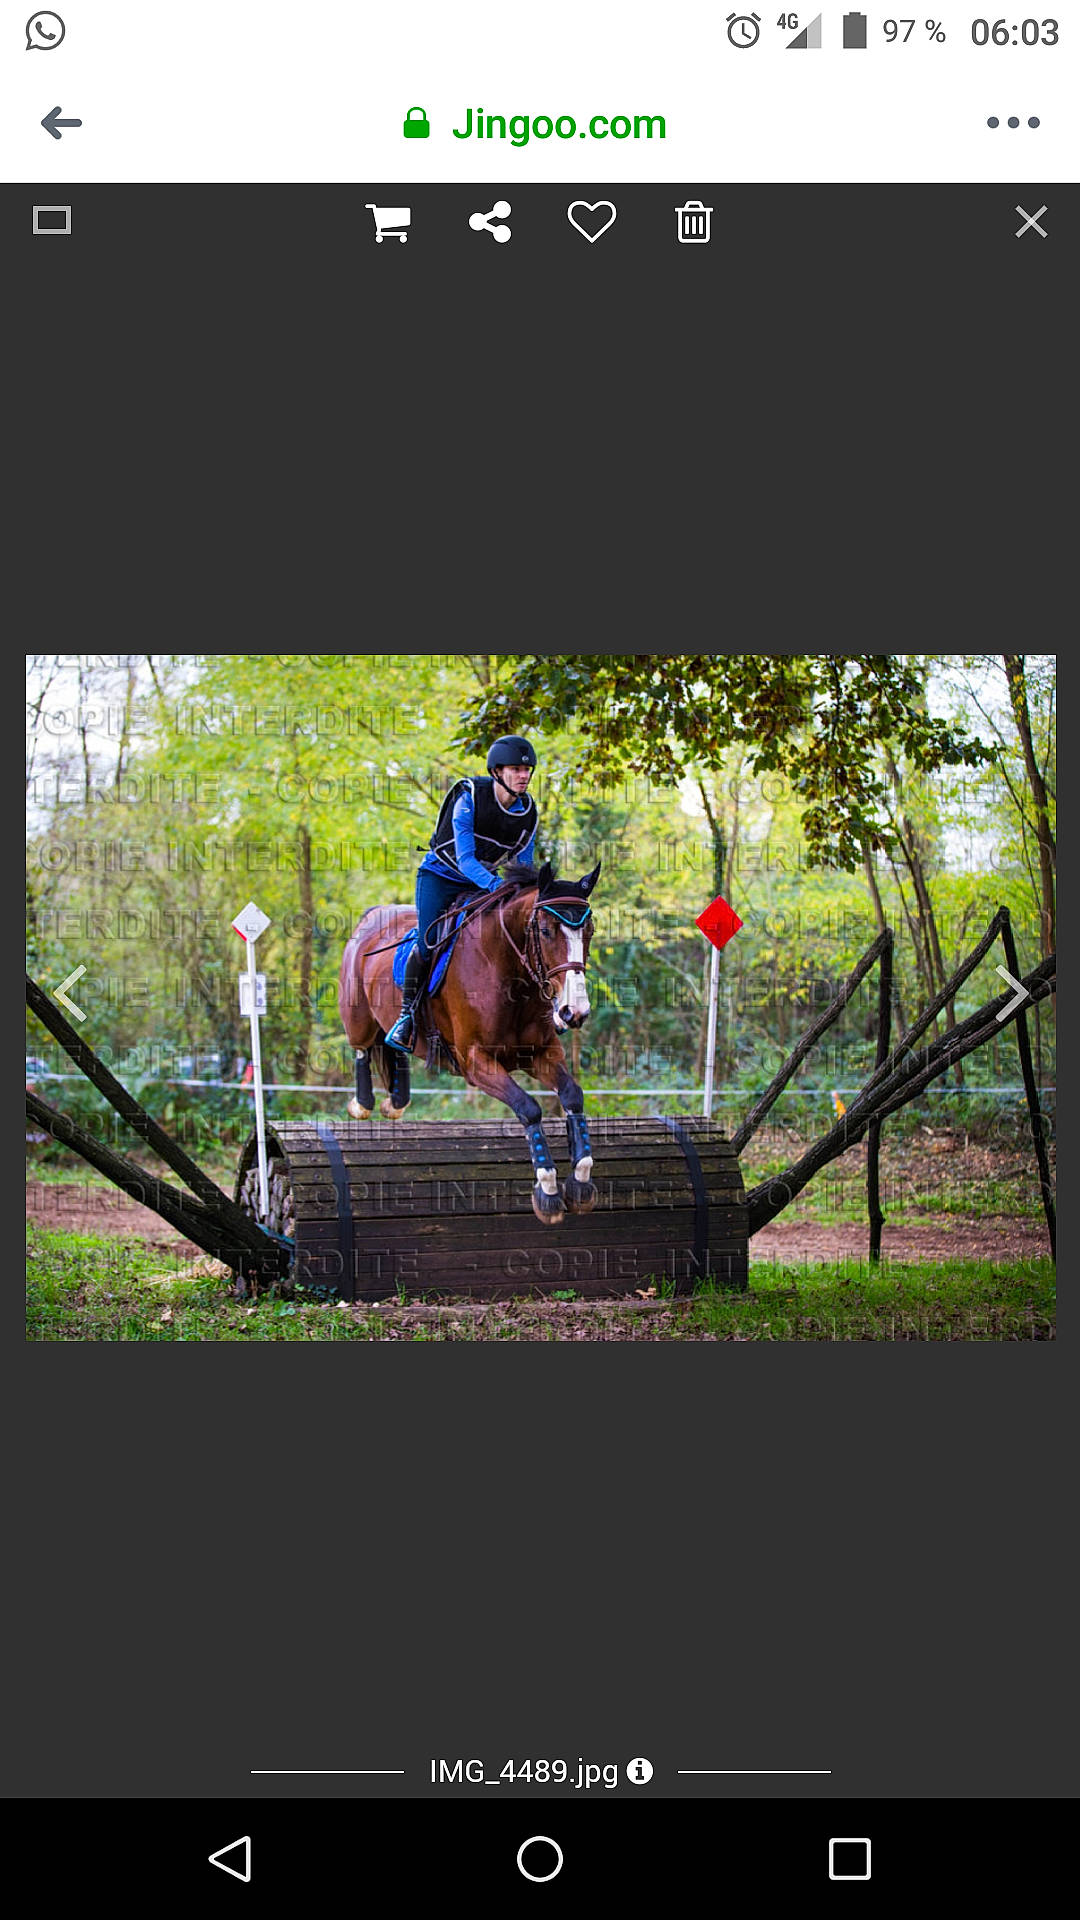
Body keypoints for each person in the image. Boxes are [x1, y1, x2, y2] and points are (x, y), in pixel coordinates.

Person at [384, 735, 539, 1051]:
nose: (523, 776)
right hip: (441, 876)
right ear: (497, 772)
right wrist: (496, 886)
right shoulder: (469, 797)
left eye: (527, 770)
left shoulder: (528, 813)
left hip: (481, 883)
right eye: (515, 769)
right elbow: (466, 860)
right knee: (429, 941)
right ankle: (406, 1017)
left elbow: (524, 867)